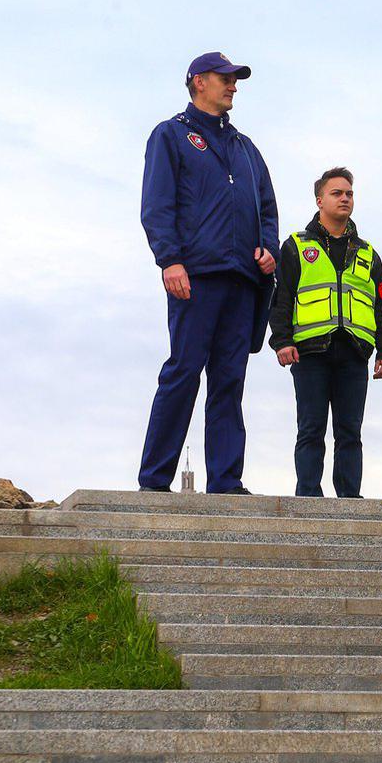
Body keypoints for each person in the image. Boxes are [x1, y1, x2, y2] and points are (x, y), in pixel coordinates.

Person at [137, 52, 279, 494]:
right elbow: (157, 205)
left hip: (243, 280)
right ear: (199, 82)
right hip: (195, 276)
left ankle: (226, 481)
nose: (233, 86)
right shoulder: (171, 136)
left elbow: (268, 209)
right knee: (183, 371)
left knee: (229, 380)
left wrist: (269, 250)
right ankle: (155, 480)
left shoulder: (246, 148)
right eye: (225, 78)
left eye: (235, 80)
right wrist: (169, 259)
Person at [268, 167, 382, 497]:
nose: (345, 198)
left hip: (354, 352)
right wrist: (281, 340)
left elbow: (381, 305)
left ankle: (350, 498)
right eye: (337, 193)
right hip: (309, 351)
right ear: (319, 200)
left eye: (349, 193)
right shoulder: (296, 246)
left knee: (350, 431)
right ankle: (308, 497)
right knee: (310, 429)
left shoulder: (368, 253)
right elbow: (282, 297)